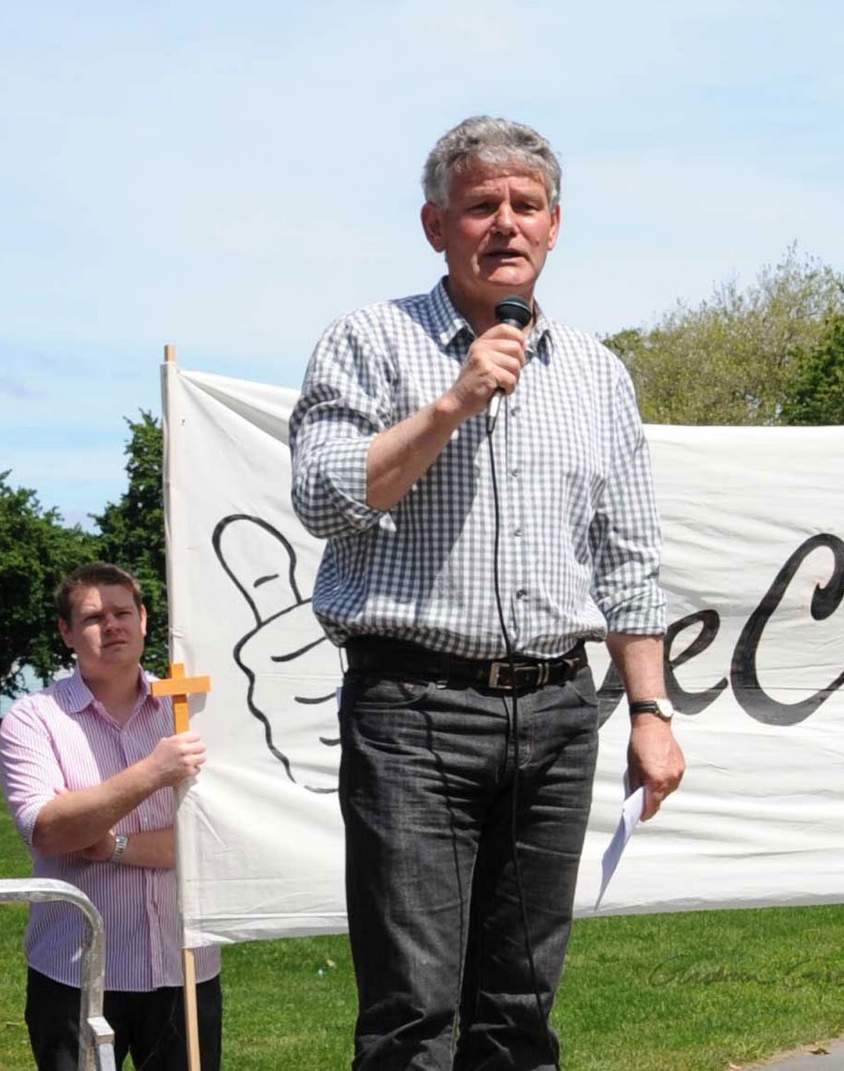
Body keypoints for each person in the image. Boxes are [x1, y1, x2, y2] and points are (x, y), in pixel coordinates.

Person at [289, 115, 686, 1070]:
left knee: (520, 1014)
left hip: (557, 713)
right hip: (413, 709)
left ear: (555, 225)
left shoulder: (597, 374)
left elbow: (628, 559)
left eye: (526, 205)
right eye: (480, 206)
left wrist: (651, 711)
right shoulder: (369, 342)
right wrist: (454, 400)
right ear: (436, 225)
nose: (505, 223)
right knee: (412, 1014)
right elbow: (323, 497)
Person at [0, 562, 220, 1071]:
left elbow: (210, 838)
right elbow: (49, 830)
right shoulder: (34, 719)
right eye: (94, 618)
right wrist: (154, 772)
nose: (112, 626)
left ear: (144, 619)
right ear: (67, 632)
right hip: (76, 973)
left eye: (123, 612)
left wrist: (109, 843)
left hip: (185, 966)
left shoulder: (189, 708)